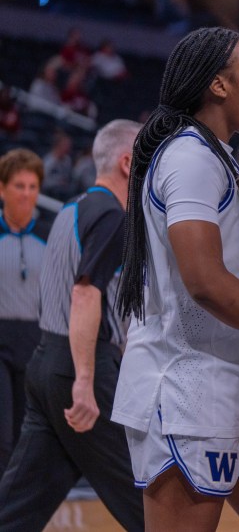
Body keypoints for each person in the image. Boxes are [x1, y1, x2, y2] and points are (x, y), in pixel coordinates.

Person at [111, 29, 239, 532]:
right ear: (219, 86)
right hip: (189, 388)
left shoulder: (221, 157)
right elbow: (204, 280)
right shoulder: (188, 156)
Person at [0, 120, 143, 532]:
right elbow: (84, 294)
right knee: (146, 497)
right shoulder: (113, 217)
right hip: (82, 368)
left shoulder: (68, 210)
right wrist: (84, 379)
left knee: (18, 508)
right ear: (126, 162)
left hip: (43, 363)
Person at [0, 149, 47, 475]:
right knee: (1, 432)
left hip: (35, 339)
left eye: (32, 186)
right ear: (2, 189)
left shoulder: (48, 236)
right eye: (19, 185)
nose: (27, 194)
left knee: (25, 432)